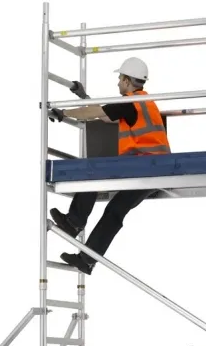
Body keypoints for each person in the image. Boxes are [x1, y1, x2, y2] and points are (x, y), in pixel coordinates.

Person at [47, 56, 171, 275]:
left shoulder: (129, 102)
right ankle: (87, 260)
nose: (118, 83)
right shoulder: (145, 102)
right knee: (115, 211)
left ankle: (74, 222)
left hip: (143, 165)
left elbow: (98, 113)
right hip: (157, 169)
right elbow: (106, 116)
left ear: (127, 80)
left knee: (95, 172)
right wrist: (84, 97)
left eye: (120, 78)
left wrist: (63, 112)